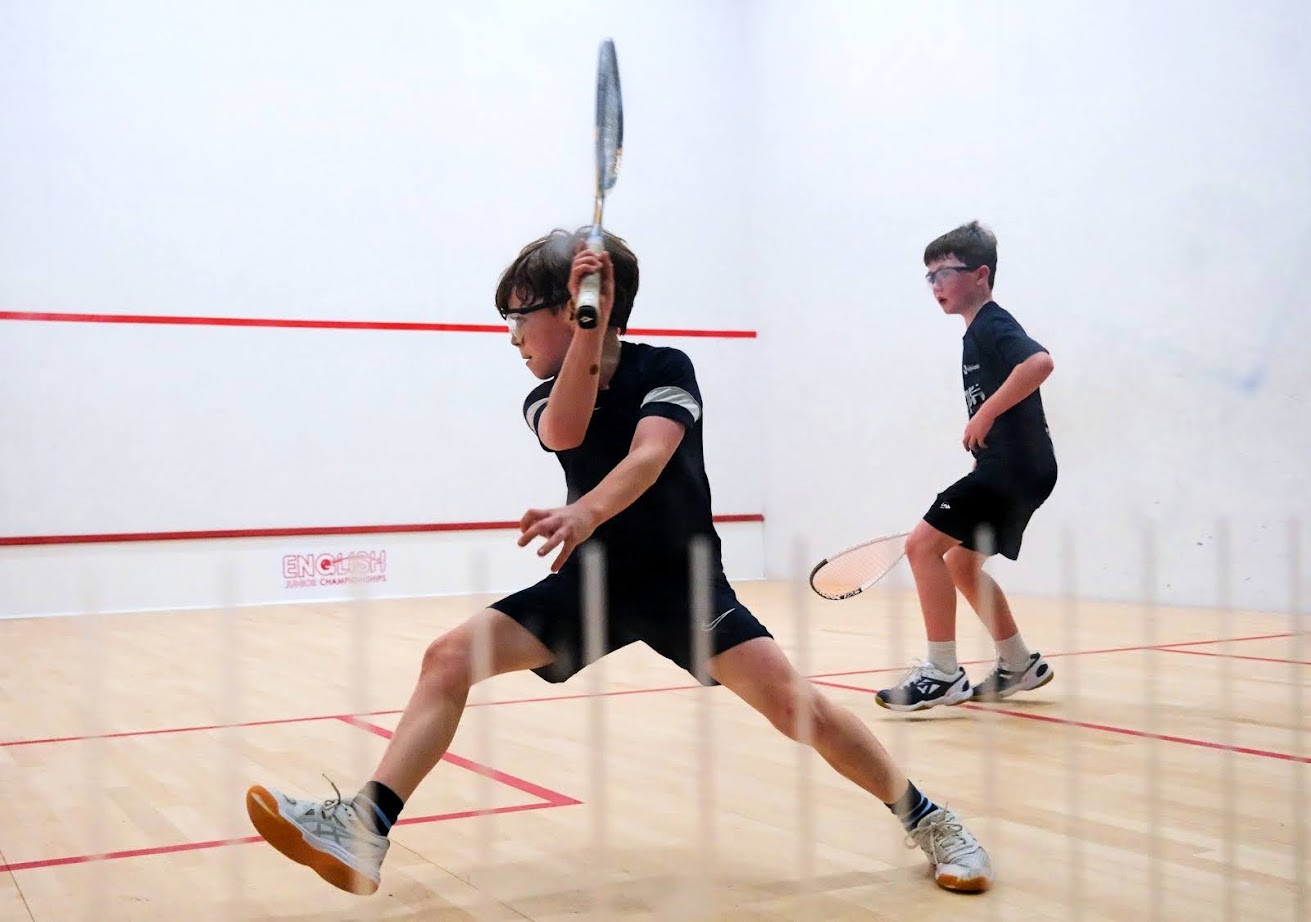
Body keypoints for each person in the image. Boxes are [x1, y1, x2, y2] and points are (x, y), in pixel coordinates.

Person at [245, 227, 993, 895]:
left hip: (681, 585)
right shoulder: (545, 395)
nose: (510, 336)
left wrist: (585, 507)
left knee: (801, 709)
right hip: (591, 587)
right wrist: (583, 339)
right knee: (447, 659)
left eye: (517, 316)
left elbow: (649, 454)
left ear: (569, 307)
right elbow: (567, 434)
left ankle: (931, 820)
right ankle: (365, 828)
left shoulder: (667, 367)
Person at [877, 221, 1057, 712]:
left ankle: (941, 672)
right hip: (1026, 469)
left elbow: (1039, 363)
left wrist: (987, 412)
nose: (935, 285)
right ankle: (1018, 663)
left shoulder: (993, 324)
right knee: (958, 560)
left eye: (945, 273)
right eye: (929, 276)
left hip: (1011, 467)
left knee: (922, 546)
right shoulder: (976, 332)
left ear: (980, 275)